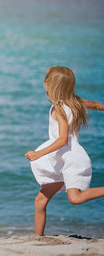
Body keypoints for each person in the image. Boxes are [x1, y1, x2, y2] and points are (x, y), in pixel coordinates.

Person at [25, 66, 104, 236]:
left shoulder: (59, 109)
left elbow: (62, 140)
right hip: (59, 160)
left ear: (53, 87)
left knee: (75, 198)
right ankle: (38, 239)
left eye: (46, 84)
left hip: (69, 158)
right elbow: (97, 105)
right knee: (40, 201)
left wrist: (38, 153)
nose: (45, 88)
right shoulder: (75, 102)